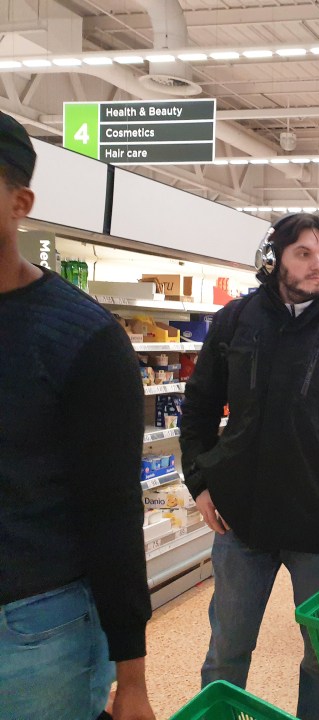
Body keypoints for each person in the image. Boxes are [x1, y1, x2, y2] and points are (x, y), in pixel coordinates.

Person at [180, 212, 319, 720]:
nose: (317, 265)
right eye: (303, 253)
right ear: (273, 259)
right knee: (227, 651)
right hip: (243, 523)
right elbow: (196, 412)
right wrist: (199, 483)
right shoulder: (237, 321)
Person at [0, 113, 155, 719]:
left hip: (36, 630)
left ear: (20, 201)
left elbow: (112, 512)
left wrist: (133, 678)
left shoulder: (84, 340)